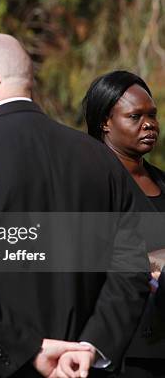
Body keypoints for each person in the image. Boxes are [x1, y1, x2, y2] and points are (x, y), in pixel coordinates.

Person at [0, 33, 150, 377]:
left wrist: (30, 348)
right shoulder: (100, 160)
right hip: (79, 368)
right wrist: (91, 347)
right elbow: (131, 271)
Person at [83, 70, 165, 377]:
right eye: (135, 116)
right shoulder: (90, 183)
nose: (150, 125)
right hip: (121, 351)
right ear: (105, 122)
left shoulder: (161, 181)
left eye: (153, 115)